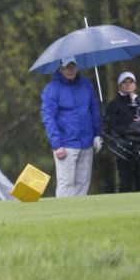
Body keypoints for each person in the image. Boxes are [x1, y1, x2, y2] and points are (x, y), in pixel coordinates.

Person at [41, 56, 103, 197]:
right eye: (67, 66)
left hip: (86, 143)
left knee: (83, 183)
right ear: (60, 68)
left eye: (73, 66)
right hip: (66, 144)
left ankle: (79, 217)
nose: (71, 69)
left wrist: (97, 134)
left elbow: (93, 110)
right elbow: (48, 118)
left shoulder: (86, 85)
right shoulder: (52, 89)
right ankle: (63, 216)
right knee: (66, 184)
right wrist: (57, 145)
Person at [105, 71, 140, 192]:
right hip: (123, 148)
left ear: (135, 85)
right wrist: (131, 125)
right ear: (119, 86)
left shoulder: (139, 103)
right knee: (126, 181)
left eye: (131, 82)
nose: (128, 85)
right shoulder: (114, 105)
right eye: (124, 83)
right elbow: (113, 127)